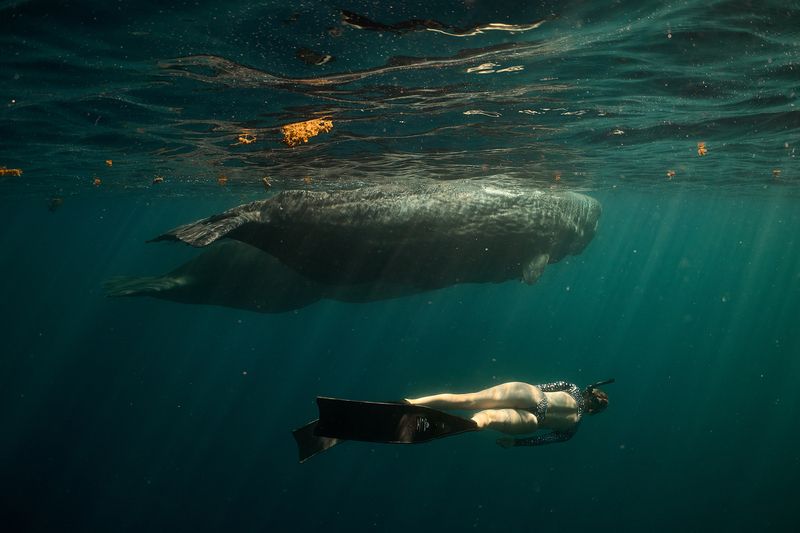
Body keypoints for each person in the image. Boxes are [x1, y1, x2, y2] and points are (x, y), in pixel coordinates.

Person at [292, 379, 613, 462]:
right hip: (535, 421)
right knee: (484, 419)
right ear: (594, 412)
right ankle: (468, 425)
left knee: (467, 398)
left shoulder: (572, 387)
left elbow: (546, 385)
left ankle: (411, 403)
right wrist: (514, 443)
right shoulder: (572, 429)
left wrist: (529, 391)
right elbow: (542, 440)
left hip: (532, 395)